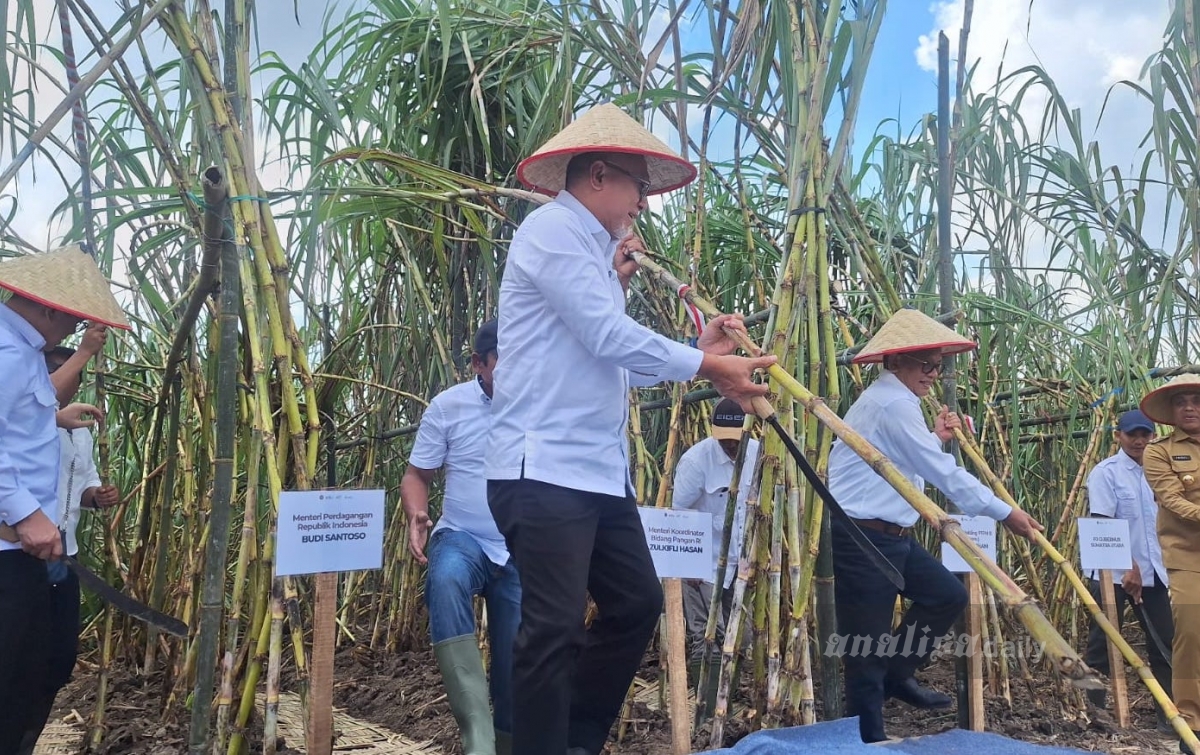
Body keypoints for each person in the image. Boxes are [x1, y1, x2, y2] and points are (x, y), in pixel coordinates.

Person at [485, 102, 774, 755]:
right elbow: (607, 334)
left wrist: (698, 346)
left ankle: (578, 739)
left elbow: (615, 364)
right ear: (595, 178)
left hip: (595, 473)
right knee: (553, 625)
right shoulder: (551, 232)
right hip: (542, 468)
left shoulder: (595, 259)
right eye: (637, 185)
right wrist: (711, 364)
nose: (643, 202)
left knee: (637, 600)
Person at [825, 308, 1043, 743]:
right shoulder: (891, 403)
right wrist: (1004, 511)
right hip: (862, 536)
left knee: (946, 595)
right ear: (895, 363)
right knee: (864, 645)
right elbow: (941, 473)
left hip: (893, 535)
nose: (932, 373)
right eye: (925, 364)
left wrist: (937, 438)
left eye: (938, 365)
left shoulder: (899, 404)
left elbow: (912, 458)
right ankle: (869, 741)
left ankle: (897, 672)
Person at [0, 245, 129, 754]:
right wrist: (27, 513)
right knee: (12, 681)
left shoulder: (21, 352)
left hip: (25, 552)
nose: (72, 333)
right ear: (51, 308)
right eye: (73, 321)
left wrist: (53, 417)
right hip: (10, 554)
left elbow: (15, 423)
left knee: (36, 671)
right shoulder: (7, 352)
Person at [401, 320, 520, 755]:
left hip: (518, 548)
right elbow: (417, 475)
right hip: (462, 536)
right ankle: (478, 736)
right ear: (479, 364)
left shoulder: (536, 404)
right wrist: (417, 512)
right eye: (505, 365)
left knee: (514, 655)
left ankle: (507, 744)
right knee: (446, 576)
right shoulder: (448, 407)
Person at [19, 337, 124, 753]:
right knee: (17, 652)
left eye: (72, 373)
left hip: (64, 557)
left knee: (59, 658)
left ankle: (25, 737)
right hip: (19, 555)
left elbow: (83, 484)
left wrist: (96, 497)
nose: (63, 380)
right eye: (53, 370)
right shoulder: (19, 420)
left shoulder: (78, 433)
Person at [1083, 408, 1174, 732]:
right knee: (1102, 644)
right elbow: (1105, 524)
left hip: (1155, 573)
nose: (1138, 440)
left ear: (1153, 436)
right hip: (1111, 573)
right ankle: (1093, 711)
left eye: (1144, 434)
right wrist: (1129, 568)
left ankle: (1169, 716)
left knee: (1164, 643)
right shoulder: (1106, 473)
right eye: (1132, 434)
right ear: (1118, 436)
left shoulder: (1160, 471)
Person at [670, 398, 760, 706]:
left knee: (741, 635)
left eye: (736, 440)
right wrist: (688, 566)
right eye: (725, 440)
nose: (731, 446)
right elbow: (679, 513)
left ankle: (727, 700)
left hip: (739, 561)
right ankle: (707, 709)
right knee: (705, 638)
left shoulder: (757, 454)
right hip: (703, 562)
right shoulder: (697, 461)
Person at [1139, 373, 1200, 753]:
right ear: (1172, 411)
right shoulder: (1158, 452)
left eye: (1196, 400)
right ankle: (1191, 723)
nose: (1190, 407)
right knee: (1192, 634)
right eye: (1181, 401)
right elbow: (1171, 498)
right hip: (1187, 555)